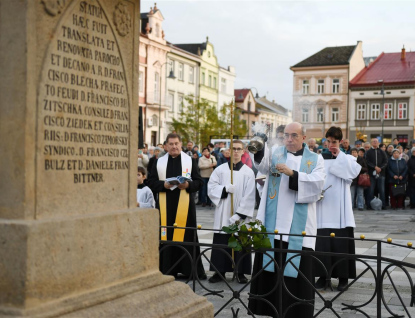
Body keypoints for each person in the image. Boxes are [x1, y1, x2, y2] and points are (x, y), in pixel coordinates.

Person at [248, 122, 325, 318]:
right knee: (271, 270)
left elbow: (318, 184)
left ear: (303, 138)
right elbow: (261, 163)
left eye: (294, 136)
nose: (289, 139)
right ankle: (270, 309)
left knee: (297, 274)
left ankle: (296, 311)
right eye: (286, 136)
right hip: (274, 223)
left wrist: (293, 174)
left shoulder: (316, 159)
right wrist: (260, 140)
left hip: (300, 227)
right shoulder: (276, 153)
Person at [147, 133, 206, 279]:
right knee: (166, 235)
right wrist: (164, 185)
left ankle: (189, 269)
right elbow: (151, 182)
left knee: (186, 236)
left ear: (181, 145)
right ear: (166, 146)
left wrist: (188, 184)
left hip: (185, 207)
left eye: (176, 144)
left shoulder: (190, 161)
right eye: (171, 144)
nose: (174, 147)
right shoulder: (158, 162)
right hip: (165, 205)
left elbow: (199, 182)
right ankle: (167, 268)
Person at [314, 127, 361, 292]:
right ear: (325, 141)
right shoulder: (319, 158)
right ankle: (322, 275)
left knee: (341, 243)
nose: (331, 145)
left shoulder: (348, 159)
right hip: (323, 205)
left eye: (334, 142)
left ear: (340, 142)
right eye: (329, 142)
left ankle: (343, 278)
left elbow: (353, 173)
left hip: (340, 209)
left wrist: (339, 156)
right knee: (322, 243)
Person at [207, 140, 256, 284]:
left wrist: (239, 215)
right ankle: (219, 271)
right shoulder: (220, 169)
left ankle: (240, 272)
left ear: (243, 151)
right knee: (222, 241)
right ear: (229, 150)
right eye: (233, 149)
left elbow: (250, 196)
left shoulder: (248, 172)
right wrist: (224, 189)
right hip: (223, 211)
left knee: (240, 241)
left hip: (240, 215)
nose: (235, 151)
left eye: (238, 149)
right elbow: (211, 187)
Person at [366, 138, 388, 209]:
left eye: (376, 141)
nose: (375, 142)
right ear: (371, 143)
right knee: (371, 190)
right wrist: (374, 167)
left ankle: (383, 205)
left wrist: (380, 168)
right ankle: (369, 205)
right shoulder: (369, 152)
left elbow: (385, 161)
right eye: (373, 141)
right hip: (372, 174)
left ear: (378, 143)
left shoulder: (382, 151)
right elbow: (367, 162)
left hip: (381, 174)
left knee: (382, 190)